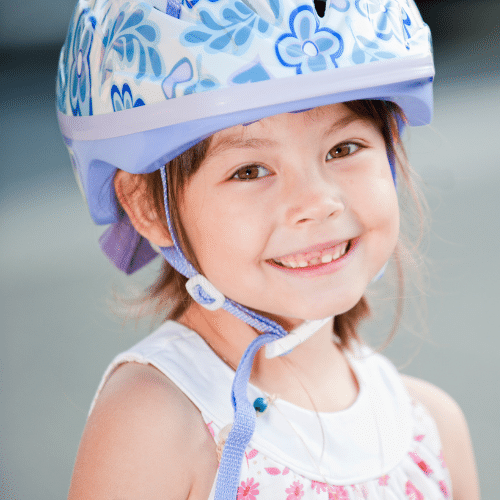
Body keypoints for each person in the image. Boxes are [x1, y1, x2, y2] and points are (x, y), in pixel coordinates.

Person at [57, 0, 480, 498]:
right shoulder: (157, 422)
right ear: (148, 206)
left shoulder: (431, 429)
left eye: (342, 149)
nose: (316, 204)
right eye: (250, 171)